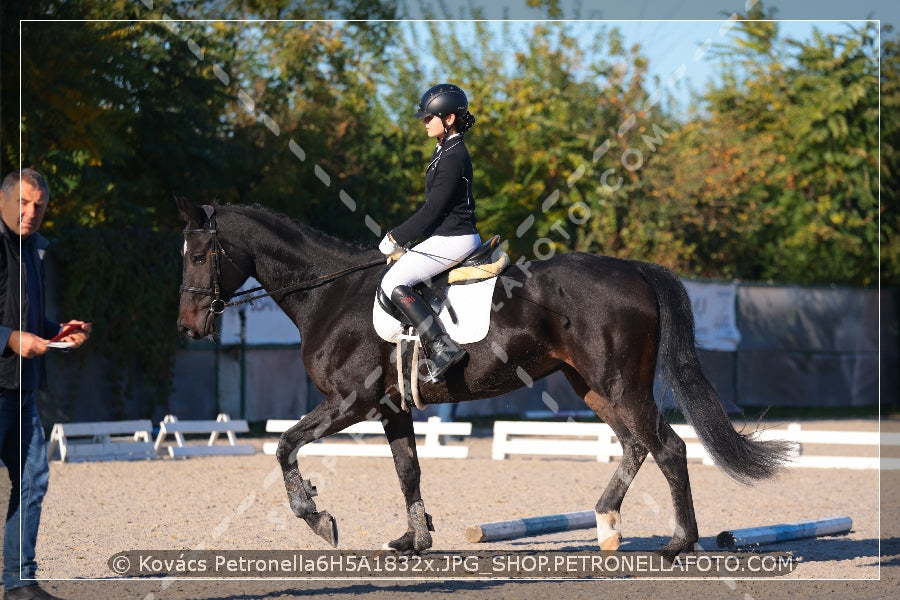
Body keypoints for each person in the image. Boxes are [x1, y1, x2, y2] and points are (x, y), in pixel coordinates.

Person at [0, 168, 90, 600]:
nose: (31, 212)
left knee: (33, 478)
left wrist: (56, 332)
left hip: (21, 392)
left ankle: (19, 582)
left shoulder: (33, 250)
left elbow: (27, 324)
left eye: (39, 206)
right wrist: (12, 340)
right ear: (4, 199)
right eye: (23, 202)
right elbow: (13, 332)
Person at [379, 83, 481, 384]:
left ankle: (442, 347)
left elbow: (432, 210)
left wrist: (396, 237)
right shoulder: (445, 149)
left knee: (394, 280)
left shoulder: (453, 156)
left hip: (454, 238)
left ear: (448, 119)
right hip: (448, 236)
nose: (425, 122)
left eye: (429, 117)